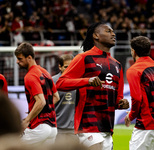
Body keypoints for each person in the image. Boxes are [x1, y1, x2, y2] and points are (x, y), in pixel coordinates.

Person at [56, 22, 129, 150]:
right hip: (87, 124)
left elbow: (117, 99)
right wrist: (87, 81)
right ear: (96, 36)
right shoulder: (84, 58)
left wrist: (122, 103)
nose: (113, 34)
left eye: (113, 31)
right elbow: (60, 83)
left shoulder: (117, 65)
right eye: (108, 31)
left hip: (107, 126)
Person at [14, 42, 60, 145]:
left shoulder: (30, 76)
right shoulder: (45, 72)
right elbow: (56, 97)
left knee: (13, 145)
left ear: (29, 57)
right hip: (52, 127)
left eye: (20, 59)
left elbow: (41, 102)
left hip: (39, 127)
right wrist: (36, 109)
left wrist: (27, 120)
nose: (17, 62)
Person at [52, 54, 78, 141]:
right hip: (57, 128)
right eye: (66, 67)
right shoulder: (53, 81)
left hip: (74, 129)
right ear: (60, 67)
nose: (69, 69)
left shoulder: (80, 81)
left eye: (71, 66)